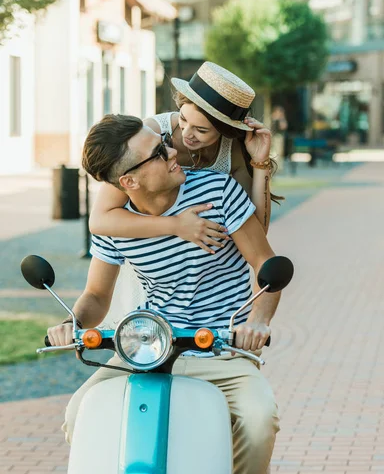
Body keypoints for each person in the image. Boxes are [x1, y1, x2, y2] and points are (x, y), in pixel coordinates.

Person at [49, 113, 281, 474]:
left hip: (221, 345)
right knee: (79, 414)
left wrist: (258, 322)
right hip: (149, 347)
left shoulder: (217, 191)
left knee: (259, 420)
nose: (174, 151)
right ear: (129, 181)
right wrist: (71, 321)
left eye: (164, 144)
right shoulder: (117, 223)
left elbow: (265, 264)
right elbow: (96, 294)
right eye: (158, 152)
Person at [90, 62, 283, 323]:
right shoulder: (153, 133)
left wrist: (259, 164)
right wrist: (177, 226)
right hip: (151, 258)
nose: (187, 135)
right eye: (183, 119)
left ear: (225, 130)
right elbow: (101, 220)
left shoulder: (232, 152)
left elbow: (255, 231)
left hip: (206, 268)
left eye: (202, 130)